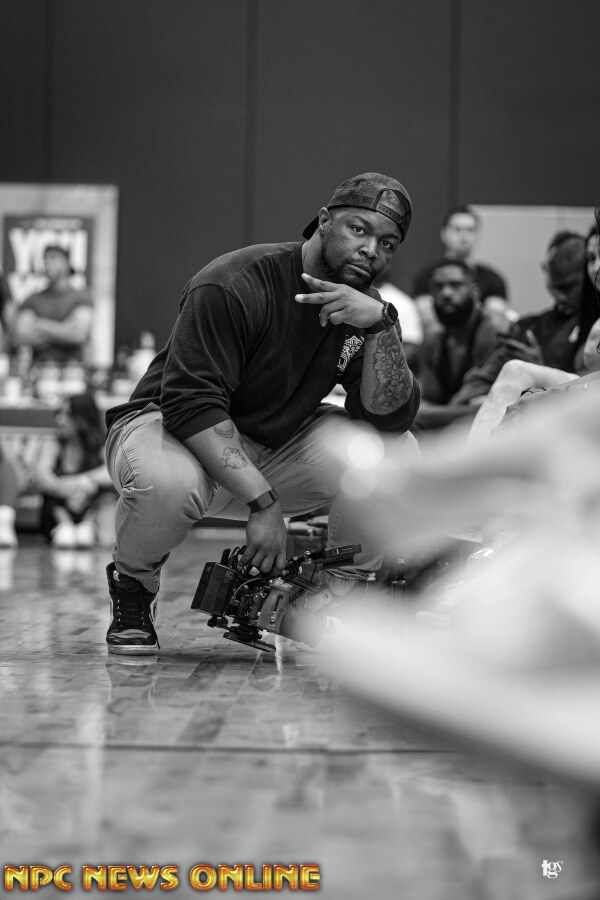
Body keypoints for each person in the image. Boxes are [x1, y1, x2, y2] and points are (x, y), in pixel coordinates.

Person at [103, 172, 421, 655]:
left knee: (395, 451)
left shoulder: (364, 310)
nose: (371, 250)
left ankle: (335, 595)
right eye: (359, 230)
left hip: (272, 448)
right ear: (324, 221)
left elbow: (390, 421)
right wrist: (264, 505)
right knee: (167, 484)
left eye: (388, 243)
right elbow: (190, 403)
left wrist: (381, 326)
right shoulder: (234, 282)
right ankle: (133, 585)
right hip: (171, 430)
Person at [468, 223, 600, 444]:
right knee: (516, 372)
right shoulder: (543, 323)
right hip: (583, 390)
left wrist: (544, 392)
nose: (596, 267)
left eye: (567, 287)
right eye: (591, 258)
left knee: (525, 398)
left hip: (587, 395)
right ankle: (478, 458)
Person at [452, 230, 588, 408]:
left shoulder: (591, 329)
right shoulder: (528, 326)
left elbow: (584, 395)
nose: (562, 297)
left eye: (568, 287)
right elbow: (476, 385)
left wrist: (539, 370)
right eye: (558, 287)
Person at [411, 258, 507, 433]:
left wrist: (420, 415)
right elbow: (430, 397)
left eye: (455, 285)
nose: (446, 293)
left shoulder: (496, 330)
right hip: (452, 423)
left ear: (475, 291)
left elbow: (491, 402)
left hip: (492, 424)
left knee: (410, 419)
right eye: (438, 287)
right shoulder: (433, 338)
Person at [34, 392, 115, 548]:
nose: (60, 420)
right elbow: (42, 475)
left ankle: (89, 527)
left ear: (82, 418)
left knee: (107, 495)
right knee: (51, 500)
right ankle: (65, 528)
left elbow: (111, 472)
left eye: (67, 415)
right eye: (59, 414)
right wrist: (65, 488)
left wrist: (84, 480)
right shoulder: (54, 443)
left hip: (88, 511)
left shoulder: (100, 445)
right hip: (59, 514)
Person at [412, 205, 510, 333]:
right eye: (457, 229)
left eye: (469, 230)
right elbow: (428, 320)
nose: (463, 236)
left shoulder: (493, 279)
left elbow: (494, 321)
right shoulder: (426, 276)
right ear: (444, 233)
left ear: (477, 235)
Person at [11, 244, 93, 365]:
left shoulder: (82, 296)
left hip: (72, 369)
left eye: (53, 258)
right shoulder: (33, 299)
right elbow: (20, 335)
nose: (48, 263)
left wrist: (40, 324)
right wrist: (65, 330)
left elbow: (78, 335)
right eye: (45, 259)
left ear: (66, 263)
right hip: (40, 368)